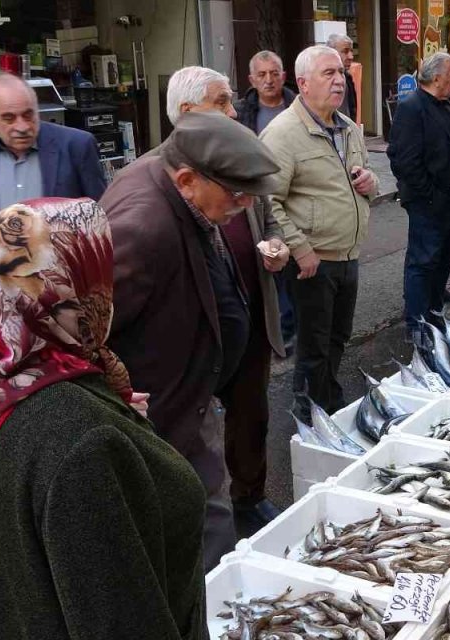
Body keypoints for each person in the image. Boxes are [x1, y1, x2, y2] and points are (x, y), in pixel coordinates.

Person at [0, 198, 205, 639]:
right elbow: (119, 617)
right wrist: (115, 436)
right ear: (76, 284)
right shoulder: (81, 437)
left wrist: (122, 427)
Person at [104, 111, 281, 571]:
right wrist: (119, 396)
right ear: (186, 179)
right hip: (160, 413)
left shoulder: (177, 183)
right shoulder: (142, 227)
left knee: (197, 519)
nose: (245, 207)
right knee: (205, 523)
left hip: (188, 394)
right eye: (237, 195)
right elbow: (89, 330)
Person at [168, 65, 292, 536]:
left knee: (251, 415)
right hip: (201, 329)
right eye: (220, 102)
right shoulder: (168, 174)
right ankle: (205, 517)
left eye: (229, 101)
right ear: (186, 112)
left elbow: (268, 216)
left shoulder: (237, 154)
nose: (233, 110)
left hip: (250, 313)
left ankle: (250, 497)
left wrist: (277, 247)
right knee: (195, 430)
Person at [261, 45, 377, 414]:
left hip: (348, 254)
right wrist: (300, 249)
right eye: (329, 73)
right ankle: (313, 409)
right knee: (314, 343)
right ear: (303, 82)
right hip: (313, 261)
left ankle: (323, 397)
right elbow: (267, 202)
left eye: (341, 73)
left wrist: (371, 183)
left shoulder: (347, 129)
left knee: (339, 337)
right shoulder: (282, 133)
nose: (339, 80)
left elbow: (366, 179)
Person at [0, 74, 105, 250]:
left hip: (62, 268)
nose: (22, 127)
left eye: (28, 115)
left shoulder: (76, 145)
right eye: (9, 118)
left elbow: (100, 214)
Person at [389, 52, 450, 331]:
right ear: (437, 77)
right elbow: (403, 161)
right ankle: (417, 325)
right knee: (424, 260)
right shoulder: (412, 106)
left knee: (446, 254)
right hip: (432, 201)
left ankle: (434, 309)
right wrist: (431, 195)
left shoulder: (446, 103)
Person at [236, 51, 299, 357]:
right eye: (261, 75)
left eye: (274, 73)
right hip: (256, 199)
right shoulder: (241, 113)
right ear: (251, 80)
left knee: (292, 266)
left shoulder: (299, 106)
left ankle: (290, 328)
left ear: (284, 76)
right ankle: (276, 331)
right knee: (267, 268)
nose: (269, 80)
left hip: (293, 196)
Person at [327, 33, 360, 122]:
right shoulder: (325, 81)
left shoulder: (347, 77)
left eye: (351, 51)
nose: (351, 56)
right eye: (345, 51)